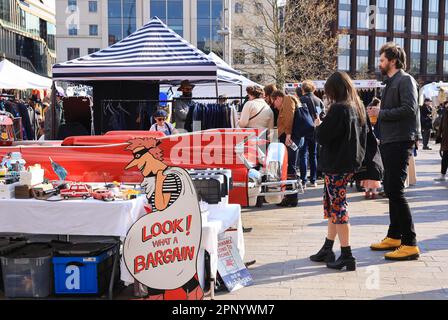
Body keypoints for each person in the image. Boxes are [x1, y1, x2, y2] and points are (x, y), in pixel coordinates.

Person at [309, 71, 367, 271]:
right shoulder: (357, 107)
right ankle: (328, 247)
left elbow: (323, 136)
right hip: (349, 164)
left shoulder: (338, 109)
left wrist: (318, 126)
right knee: (335, 206)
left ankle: (347, 254)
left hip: (336, 165)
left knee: (339, 208)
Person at [368, 42, 420, 260]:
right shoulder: (389, 83)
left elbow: (409, 109)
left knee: (395, 190)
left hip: (401, 140)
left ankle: (410, 243)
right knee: (390, 188)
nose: (379, 63)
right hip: (390, 140)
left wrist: (382, 113)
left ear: (393, 61)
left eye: (382, 60)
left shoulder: (405, 80)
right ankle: (394, 236)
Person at [271, 90, 299, 207]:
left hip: (290, 138)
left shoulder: (287, 100)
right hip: (290, 137)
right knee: (289, 166)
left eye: (274, 102)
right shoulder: (287, 101)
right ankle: (290, 196)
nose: (274, 105)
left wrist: (288, 134)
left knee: (290, 166)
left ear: (278, 98)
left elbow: (289, 117)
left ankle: (291, 197)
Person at [299, 80, 325, 188]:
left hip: (302, 131)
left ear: (303, 89)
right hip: (315, 130)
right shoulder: (318, 101)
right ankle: (313, 180)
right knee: (313, 155)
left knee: (303, 155)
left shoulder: (299, 100)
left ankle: (303, 180)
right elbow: (322, 115)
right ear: (314, 89)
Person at [435, 110, 448, 182]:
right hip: (446, 139)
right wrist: (438, 136)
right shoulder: (445, 112)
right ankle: (442, 175)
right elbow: (441, 125)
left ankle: (443, 175)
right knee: (445, 158)